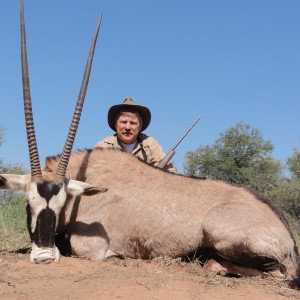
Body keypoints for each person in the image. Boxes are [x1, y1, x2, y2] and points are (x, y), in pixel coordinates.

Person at [95, 97, 176, 173]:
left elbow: (170, 173)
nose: (127, 127)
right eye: (123, 122)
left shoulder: (150, 143)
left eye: (133, 123)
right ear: (115, 125)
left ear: (140, 126)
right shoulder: (103, 147)